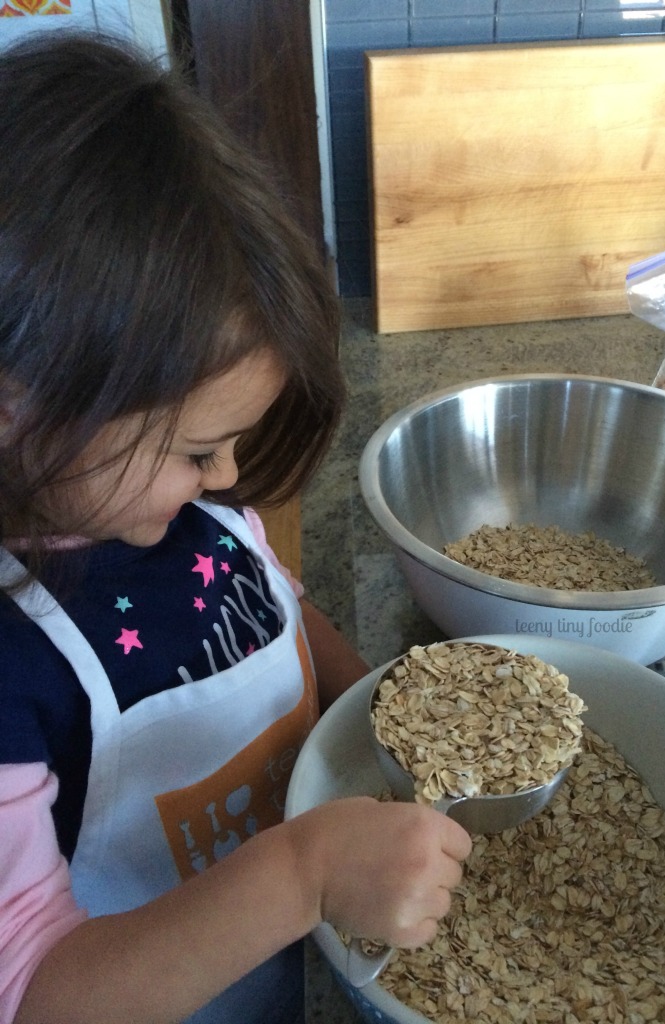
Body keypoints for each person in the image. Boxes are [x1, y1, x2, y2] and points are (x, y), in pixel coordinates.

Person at [0, 33, 472, 1024]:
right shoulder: (14, 664)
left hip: (296, 971)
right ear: (16, 403)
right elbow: (36, 993)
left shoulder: (184, 512)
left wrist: (400, 711)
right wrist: (300, 876)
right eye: (198, 448)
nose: (226, 479)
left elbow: (278, 614)